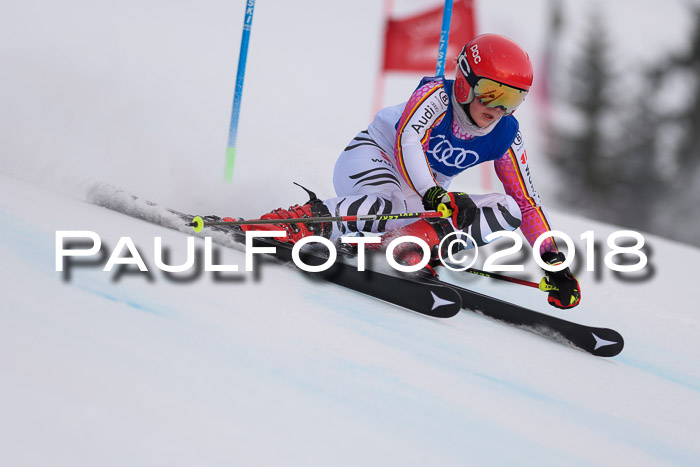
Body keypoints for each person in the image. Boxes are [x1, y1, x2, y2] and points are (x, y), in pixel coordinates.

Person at [240, 34, 580, 310]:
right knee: (390, 203)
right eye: (492, 93)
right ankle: (298, 222)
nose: (498, 108)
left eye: (512, 99)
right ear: (465, 82)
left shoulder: (506, 134)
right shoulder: (435, 97)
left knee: (505, 210)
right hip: (374, 159)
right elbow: (408, 141)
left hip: (424, 196)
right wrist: (434, 194)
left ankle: (403, 246)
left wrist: (554, 262)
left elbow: (526, 202)